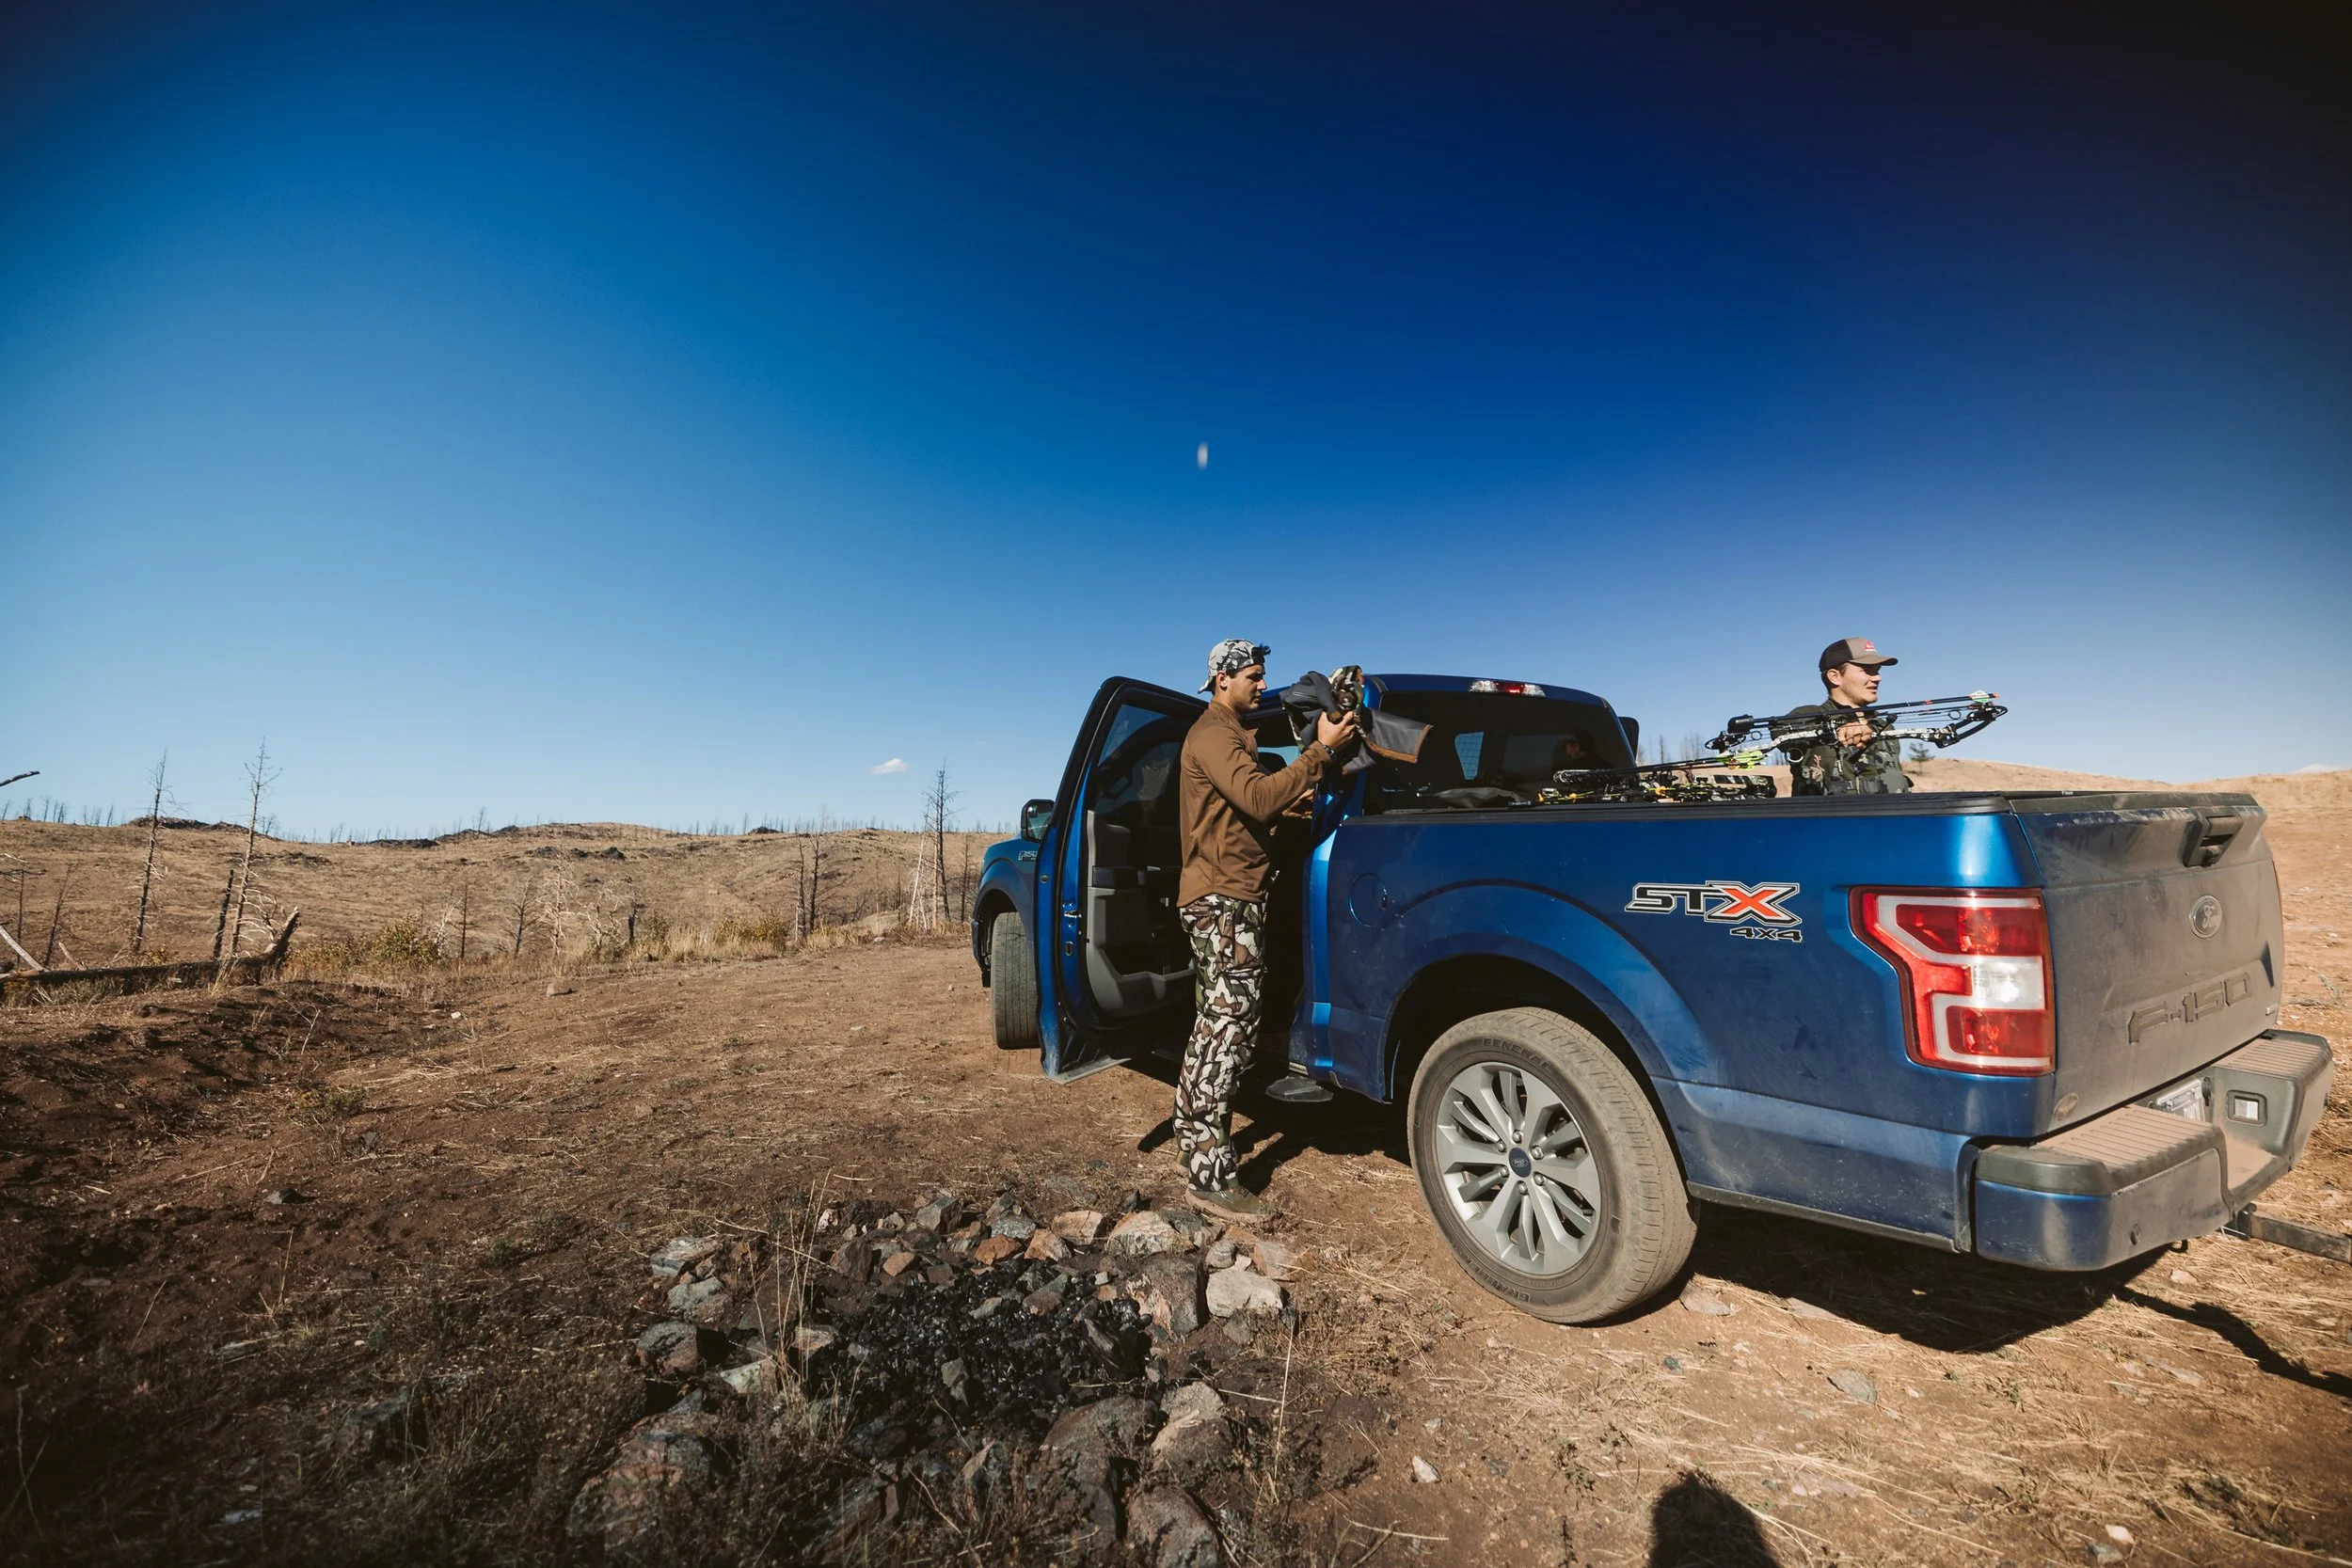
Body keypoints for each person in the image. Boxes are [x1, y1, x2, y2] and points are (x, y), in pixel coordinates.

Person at [1174, 638, 1357, 1220]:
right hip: (1220, 899)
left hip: (1238, 896)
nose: (1260, 684)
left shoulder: (1234, 737)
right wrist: (1318, 753)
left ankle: (1197, 1134)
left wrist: (1301, 789)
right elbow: (1255, 798)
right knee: (1225, 1029)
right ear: (1222, 679)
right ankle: (1206, 1170)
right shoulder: (1211, 733)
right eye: (1253, 676)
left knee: (1229, 1024)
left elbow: (1251, 811)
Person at [1786, 637, 1912, 796]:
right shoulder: (1808, 715)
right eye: (1867, 670)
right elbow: (1780, 732)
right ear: (1835, 676)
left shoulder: (1882, 724)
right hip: (1830, 819)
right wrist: (1836, 728)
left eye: (1877, 670)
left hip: (1892, 818)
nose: (1877, 677)